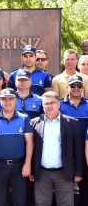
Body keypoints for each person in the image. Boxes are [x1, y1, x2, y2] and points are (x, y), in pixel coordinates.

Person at [30, 91, 84, 206]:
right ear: (42, 105)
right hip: (42, 173)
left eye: (52, 103)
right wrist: (31, 170)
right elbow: (31, 149)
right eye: (46, 103)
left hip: (64, 173)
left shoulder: (72, 123)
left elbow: (78, 150)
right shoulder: (34, 123)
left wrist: (79, 172)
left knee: (66, 203)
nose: (49, 106)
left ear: (58, 104)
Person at [0, 88, 33, 206]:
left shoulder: (24, 118)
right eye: (4, 99)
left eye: (10, 99)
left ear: (15, 100)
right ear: (0, 100)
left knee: (20, 201)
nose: (7, 102)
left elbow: (30, 143)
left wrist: (27, 164)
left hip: (19, 166)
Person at [59, 75, 88, 206]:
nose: (76, 88)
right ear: (67, 87)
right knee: (63, 182)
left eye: (79, 86)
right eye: (73, 85)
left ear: (83, 87)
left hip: (84, 148)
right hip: (64, 148)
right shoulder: (59, 104)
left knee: (85, 184)